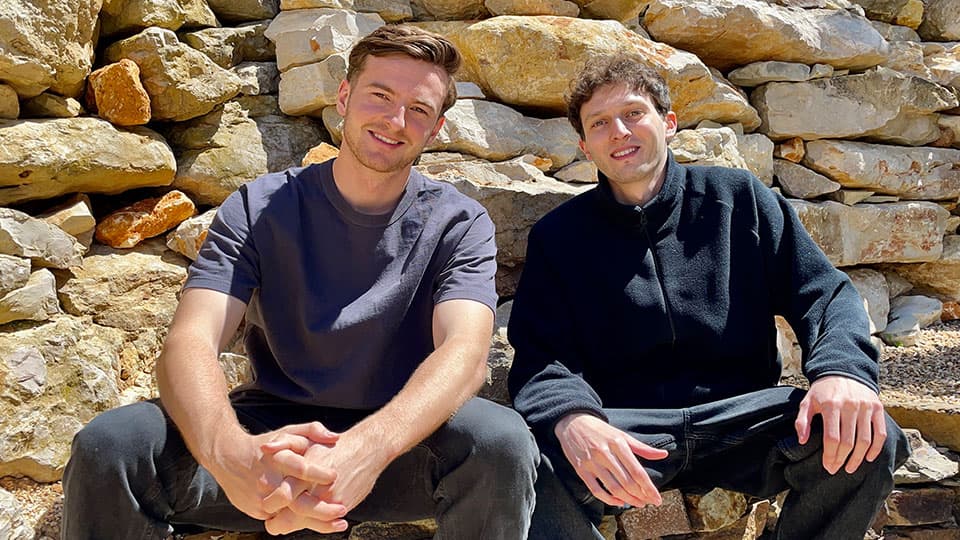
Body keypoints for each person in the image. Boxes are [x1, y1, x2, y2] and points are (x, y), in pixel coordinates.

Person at [62, 24, 538, 539]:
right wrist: (233, 458)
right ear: (344, 96)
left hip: (399, 443)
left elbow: (464, 356)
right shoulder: (258, 207)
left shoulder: (460, 223)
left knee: (500, 442)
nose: (395, 120)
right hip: (269, 437)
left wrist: (367, 450)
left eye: (418, 109)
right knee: (111, 444)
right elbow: (191, 342)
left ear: (436, 128)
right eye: (380, 95)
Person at [508, 55, 910, 540]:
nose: (618, 131)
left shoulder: (738, 198)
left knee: (870, 435)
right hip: (631, 434)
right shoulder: (559, 236)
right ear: (584, 145)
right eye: (599, 123)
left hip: (744, 423)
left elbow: (824, 295)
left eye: (634, 113)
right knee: (523, 462)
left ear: (668, 122)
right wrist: (571, 417)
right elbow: (540, 356)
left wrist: (843, 372)